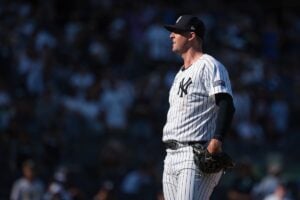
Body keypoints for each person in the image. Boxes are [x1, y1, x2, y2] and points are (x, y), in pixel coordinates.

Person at [162, 15, 235, 200]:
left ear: (191, 35)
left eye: (176, 31)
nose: (171, 35)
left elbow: (226, 103)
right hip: (171, 155)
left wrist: (217, 139)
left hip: (194, 153)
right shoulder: (179, 73)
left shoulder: (209, 65)